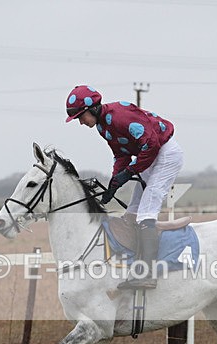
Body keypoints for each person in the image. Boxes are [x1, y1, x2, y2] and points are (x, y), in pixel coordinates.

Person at [65, 85, 184, 289]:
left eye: (80, 117)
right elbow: (121, 155)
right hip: (149, 156)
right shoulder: (103, 127)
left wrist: (129, 172)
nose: (81, 122)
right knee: (132, 213)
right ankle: (135, 265)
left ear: (92, 108)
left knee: (146, 211)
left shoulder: (120, 117)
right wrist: (114, 184)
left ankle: (148, 273)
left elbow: (152, 144)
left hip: (164, 154)